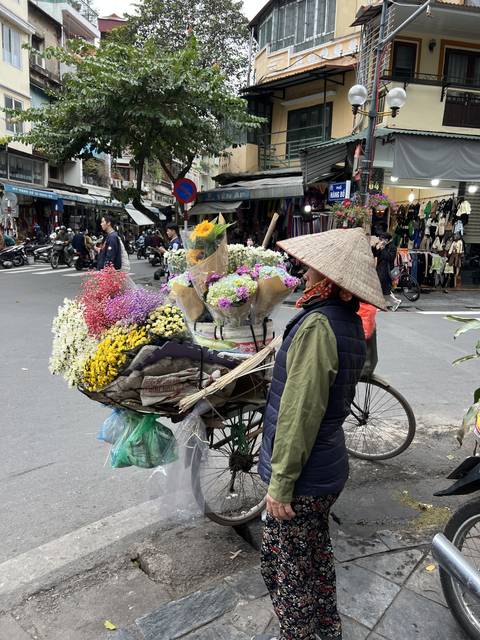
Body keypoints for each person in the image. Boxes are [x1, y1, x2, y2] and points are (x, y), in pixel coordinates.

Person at [255, 228, 386, 640]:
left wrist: (281, 484)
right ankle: (327, 629)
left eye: (312, 267)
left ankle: (299, 633)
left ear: (326, 277)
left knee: (284, 569)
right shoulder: (346, 322)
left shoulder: (318, 325)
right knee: (312, 555)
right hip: (327, 467)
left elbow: (299, 415)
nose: (305, 271)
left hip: (306, 474)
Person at [373, 233, 401, 311]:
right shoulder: (381, 245)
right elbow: (376, 255)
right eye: (380, 239)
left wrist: (384, 249)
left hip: (386, 270)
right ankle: (395, 302)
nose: (381, 240)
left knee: (383, 288)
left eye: (383, 239)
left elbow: (390, 258)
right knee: (383, 289)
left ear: (387, 240)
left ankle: (381, 305)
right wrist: (377, 248)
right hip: (380, 269)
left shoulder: (392, 247)